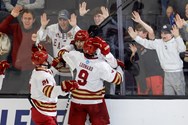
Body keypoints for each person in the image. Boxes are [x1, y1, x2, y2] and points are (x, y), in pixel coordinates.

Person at [60, 37, 124, 125]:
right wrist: (119, 67)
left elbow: (61, 52)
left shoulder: (76, 56)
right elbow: (118, 79)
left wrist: (71, 45)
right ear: (96, 50)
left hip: (77, 100)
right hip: (95, 102)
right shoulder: (101, 65)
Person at [128, 24, 186, 95]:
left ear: (172, 33)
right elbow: (146, 43)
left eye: (166, 33)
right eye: (162, 33)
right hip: (166, 73)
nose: (163, 35)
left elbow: (182, 49)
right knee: (167, 97)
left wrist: (177, 36)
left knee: (181, 96)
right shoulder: (159, 42)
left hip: (176, 73)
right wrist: (136, 37)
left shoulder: (176, 41)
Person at [29, 46, 78, 125]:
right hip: (44, 112)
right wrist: (63, 88)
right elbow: (49, 91)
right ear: (43, 62)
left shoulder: (38, 71)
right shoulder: (42, 76)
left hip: (42, 110)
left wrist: (55, 67)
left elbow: (49, 74)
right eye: (46, 59)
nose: (48, 60)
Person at [0, 6, 40, 93]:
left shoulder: (38, 32)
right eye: (25, 18)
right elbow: (1, 28)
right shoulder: (16, 28)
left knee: (29, 95)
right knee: (8, 94)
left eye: (29, 18)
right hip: (15, 70)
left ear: (33, 20)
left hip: (30, 71)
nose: (27, 21)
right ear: (21, 19)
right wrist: (11, 16)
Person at [131, 11, 164, 95]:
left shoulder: (150, 42)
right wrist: (133, 54)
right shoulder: (133, 45)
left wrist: (139, 21)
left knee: (158, 97)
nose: (137, 34)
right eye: (137, 31)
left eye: (140, 32)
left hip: (155, 74)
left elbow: (151, 32)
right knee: (142, 99)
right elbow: (131, 62)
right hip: (142, 77)